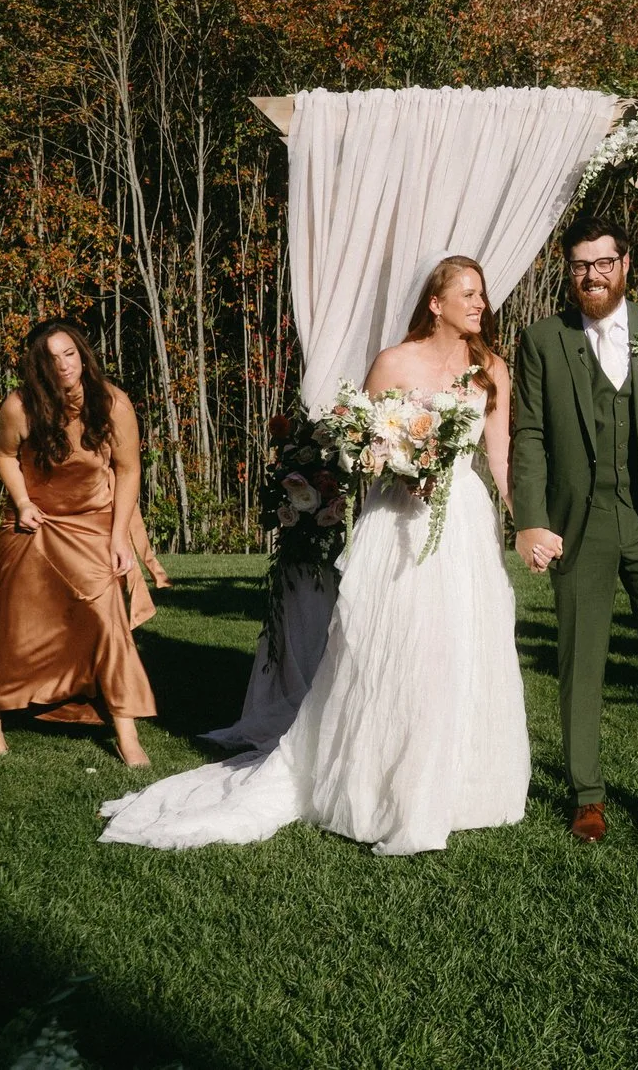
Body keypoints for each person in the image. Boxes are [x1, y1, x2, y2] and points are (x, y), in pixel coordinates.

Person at [99, 257, 528, 854]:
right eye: (469, 294)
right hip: (398, 520)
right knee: (389, 643)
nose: (481, 304)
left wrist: (528, 520)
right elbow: (360, 451)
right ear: (436, 303)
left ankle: (458, 786)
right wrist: (400, 470)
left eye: (482, 295)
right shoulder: (393, 364)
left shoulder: (492, 371)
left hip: (462, 523)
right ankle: (374, 779)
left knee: (462, 642)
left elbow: (502, 457)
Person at [512, 218, 638, 842]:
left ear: (625, 264)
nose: (592, 275)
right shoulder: (543, 340)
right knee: (581, 661)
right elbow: (529, 436)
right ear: (567, 271)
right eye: (579, 266)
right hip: (580, 525)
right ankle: (587, 795)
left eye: (604, 263)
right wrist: (531, 521)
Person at [0, 320, 157, 767]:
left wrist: (119, 538)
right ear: (39, 366)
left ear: (83, 355)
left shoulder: (113, 403)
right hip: (33, 522)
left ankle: (125, 730)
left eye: (70, 353)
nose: (63, 365)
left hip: (94, 522)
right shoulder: (20, 406)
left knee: (106, 618)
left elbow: (129, 470)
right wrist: (20, 502)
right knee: (17, 623)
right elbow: (4, 455)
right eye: (52, 358)